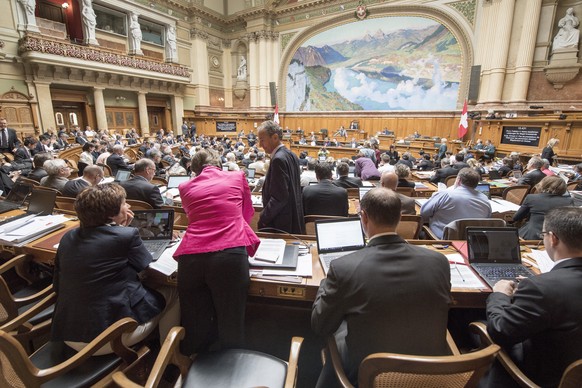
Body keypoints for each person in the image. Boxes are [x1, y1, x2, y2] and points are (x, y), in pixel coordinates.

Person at [312, 188, 451, 387]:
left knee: (339, 330)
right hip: (430, 372)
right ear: (400, 217)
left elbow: (320, 325)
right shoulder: (439, 261)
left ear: (364, 217)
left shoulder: (343, 267)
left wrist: (326, 281)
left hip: (371, 374)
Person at [51, 184, 179, 355]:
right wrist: (123, 230)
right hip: (110, 339)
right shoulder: (127, 235)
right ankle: (170, 353)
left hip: (68, 332)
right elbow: (145, 265)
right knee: (174, 291)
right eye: (124, 203)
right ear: (112, 214)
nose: (129, 207)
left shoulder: (68, 237)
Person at [483, 206, 582, 387]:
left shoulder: (541, 288)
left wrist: (499, 295)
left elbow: (500, 332)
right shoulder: (543, 285)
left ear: (553, 238)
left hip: (544, 378)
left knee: (475, 323)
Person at [174, 149, 259, 355]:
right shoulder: (237, 176)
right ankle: (231, 370)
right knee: (231, 320)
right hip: (229, 253)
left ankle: (194, 368)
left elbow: (192, 216)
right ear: (219, 163)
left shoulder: (184, 187)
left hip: (191, 257)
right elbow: (247, 212)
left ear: (193, 169)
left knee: (195, 320)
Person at [257, 120, 305, 234]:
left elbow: (280, 197)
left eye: (262, 140)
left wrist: (263, 218)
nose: (260, 145)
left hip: (281, 223)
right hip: (292, 217)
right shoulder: (291, 154)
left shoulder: (278, 159)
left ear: (274, 137)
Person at [421, 168, 492, 239]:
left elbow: (424, 213)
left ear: (458, 180)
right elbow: (487, 219)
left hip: (442, 240)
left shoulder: (445, 194)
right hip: (472, 241)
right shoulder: (485, 199)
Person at [512, 176, 574, 240]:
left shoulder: (531, 198)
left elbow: (516, 217)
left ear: (544, 185)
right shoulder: (569, 201)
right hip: (558, 237)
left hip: (531, 235)